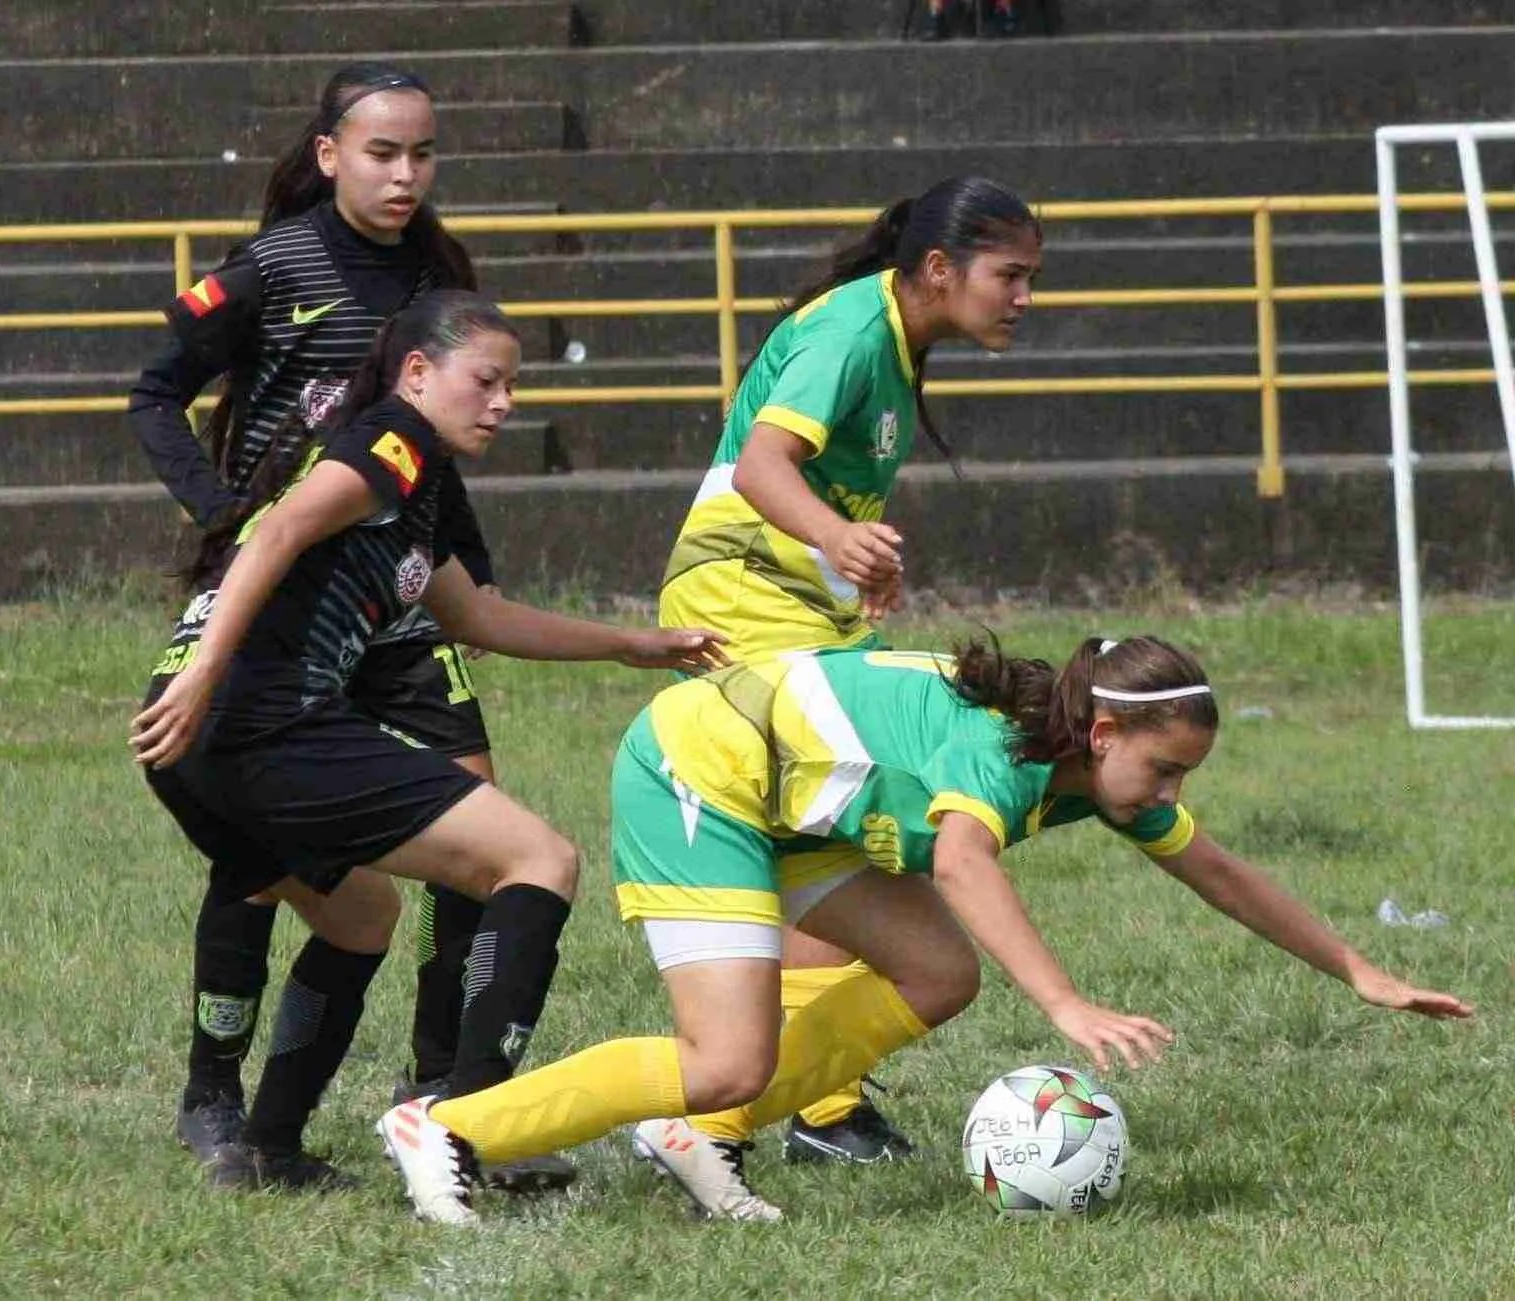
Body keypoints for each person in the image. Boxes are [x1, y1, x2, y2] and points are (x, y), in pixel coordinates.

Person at [377, 635, 1471, 1223]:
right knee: (722, 1055)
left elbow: (1217, 869)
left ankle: (698, 1130)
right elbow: (959, 857)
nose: (1169, 789)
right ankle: (453, 1125)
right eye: (1166, 766)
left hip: (791, 801)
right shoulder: (1006, 752)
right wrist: (1064, 1000)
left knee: (937, 971)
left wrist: (1357, 969)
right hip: (697, 769)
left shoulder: (1095, 769)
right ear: (1100, 730)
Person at [132, 290, 727, 1199]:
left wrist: (636, 644)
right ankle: (473, 1123)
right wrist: (209, 672)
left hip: (201, 742)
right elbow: (282, 529)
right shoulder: (391, 443)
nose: (504, 402)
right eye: (486, 380)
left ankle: (268, 1147)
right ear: (418, 372)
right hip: (258, 720)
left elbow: (476, 615)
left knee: (363, 914)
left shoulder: (419, 481)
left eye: (513, 386)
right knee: (539, 859)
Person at [126, 63, 560, 1187]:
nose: (405, 173)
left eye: (422, 154)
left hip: (399, 598)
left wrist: (469, 580)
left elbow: (443, 439)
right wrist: (225, 515)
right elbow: (152, 391)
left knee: (483, 846)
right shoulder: (273, 266)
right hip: (292, 582)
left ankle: (445, 1098)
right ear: (329, 154)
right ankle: (215, 1088)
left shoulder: (440, 274)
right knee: (271, 845)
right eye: (382, 152)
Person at [657, 176, 1042, 1162]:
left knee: (839, 837)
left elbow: (817, 491)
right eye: (1012, 275)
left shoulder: (895, 337)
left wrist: (850, 563)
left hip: (783, 604)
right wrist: (837, 533)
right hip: (733, 605)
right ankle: (755, 1102)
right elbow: (760, 469)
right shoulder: (850, 335)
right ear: (941, 269)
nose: (1023, 296)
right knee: (840, 823)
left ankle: (813, 1100)